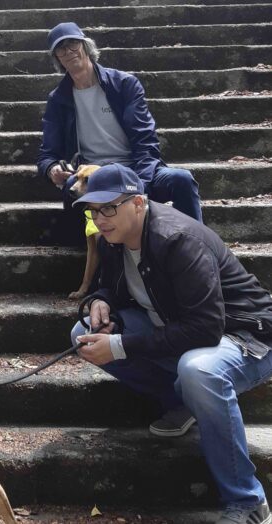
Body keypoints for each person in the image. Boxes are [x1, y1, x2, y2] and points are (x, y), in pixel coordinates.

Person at [70, 163, 272, 524]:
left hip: (246, 337)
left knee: (198, 371)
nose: (100, 219)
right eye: (94, 210)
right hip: (180, 329)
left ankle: (247, 501)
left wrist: (120, 346)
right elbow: (115, 287)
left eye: (109, 208)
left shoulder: (178, 239)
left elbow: (207, 328)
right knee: (81, 333)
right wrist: (102, 301)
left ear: (138, 203)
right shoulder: (113, 239)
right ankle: (182, 401)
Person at [37, 22, 202, 246]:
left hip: (135, 169)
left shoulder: (124, 84)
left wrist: (138, 184)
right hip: (92, 176)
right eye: (61, 48)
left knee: (181, 179)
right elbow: (47, 153)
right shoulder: (58, 99)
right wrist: (52, 169)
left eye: (73, 44)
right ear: (56, 58)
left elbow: (146, 140)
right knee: (70, 188)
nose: (68, 52)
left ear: (85, 45)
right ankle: (100, 258)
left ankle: (197, 247)